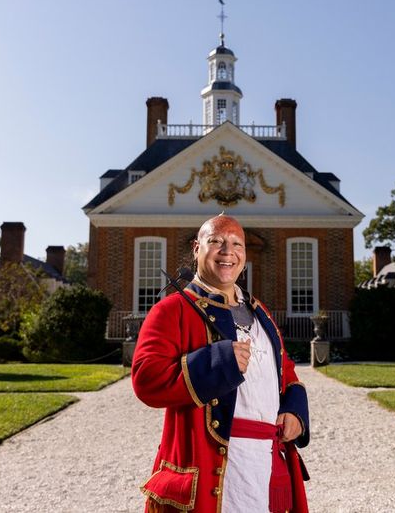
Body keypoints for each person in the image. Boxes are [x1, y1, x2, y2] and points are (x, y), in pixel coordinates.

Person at [132, 214, 310, 513]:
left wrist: (294, 410)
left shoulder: (259, 311)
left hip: (266, 459)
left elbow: (285, 370)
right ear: (196, 248)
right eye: (216, 241)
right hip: (210, 464)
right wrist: (220, 361)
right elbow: (146, 380)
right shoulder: (171, 310)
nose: (227, 251)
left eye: (236, 243)